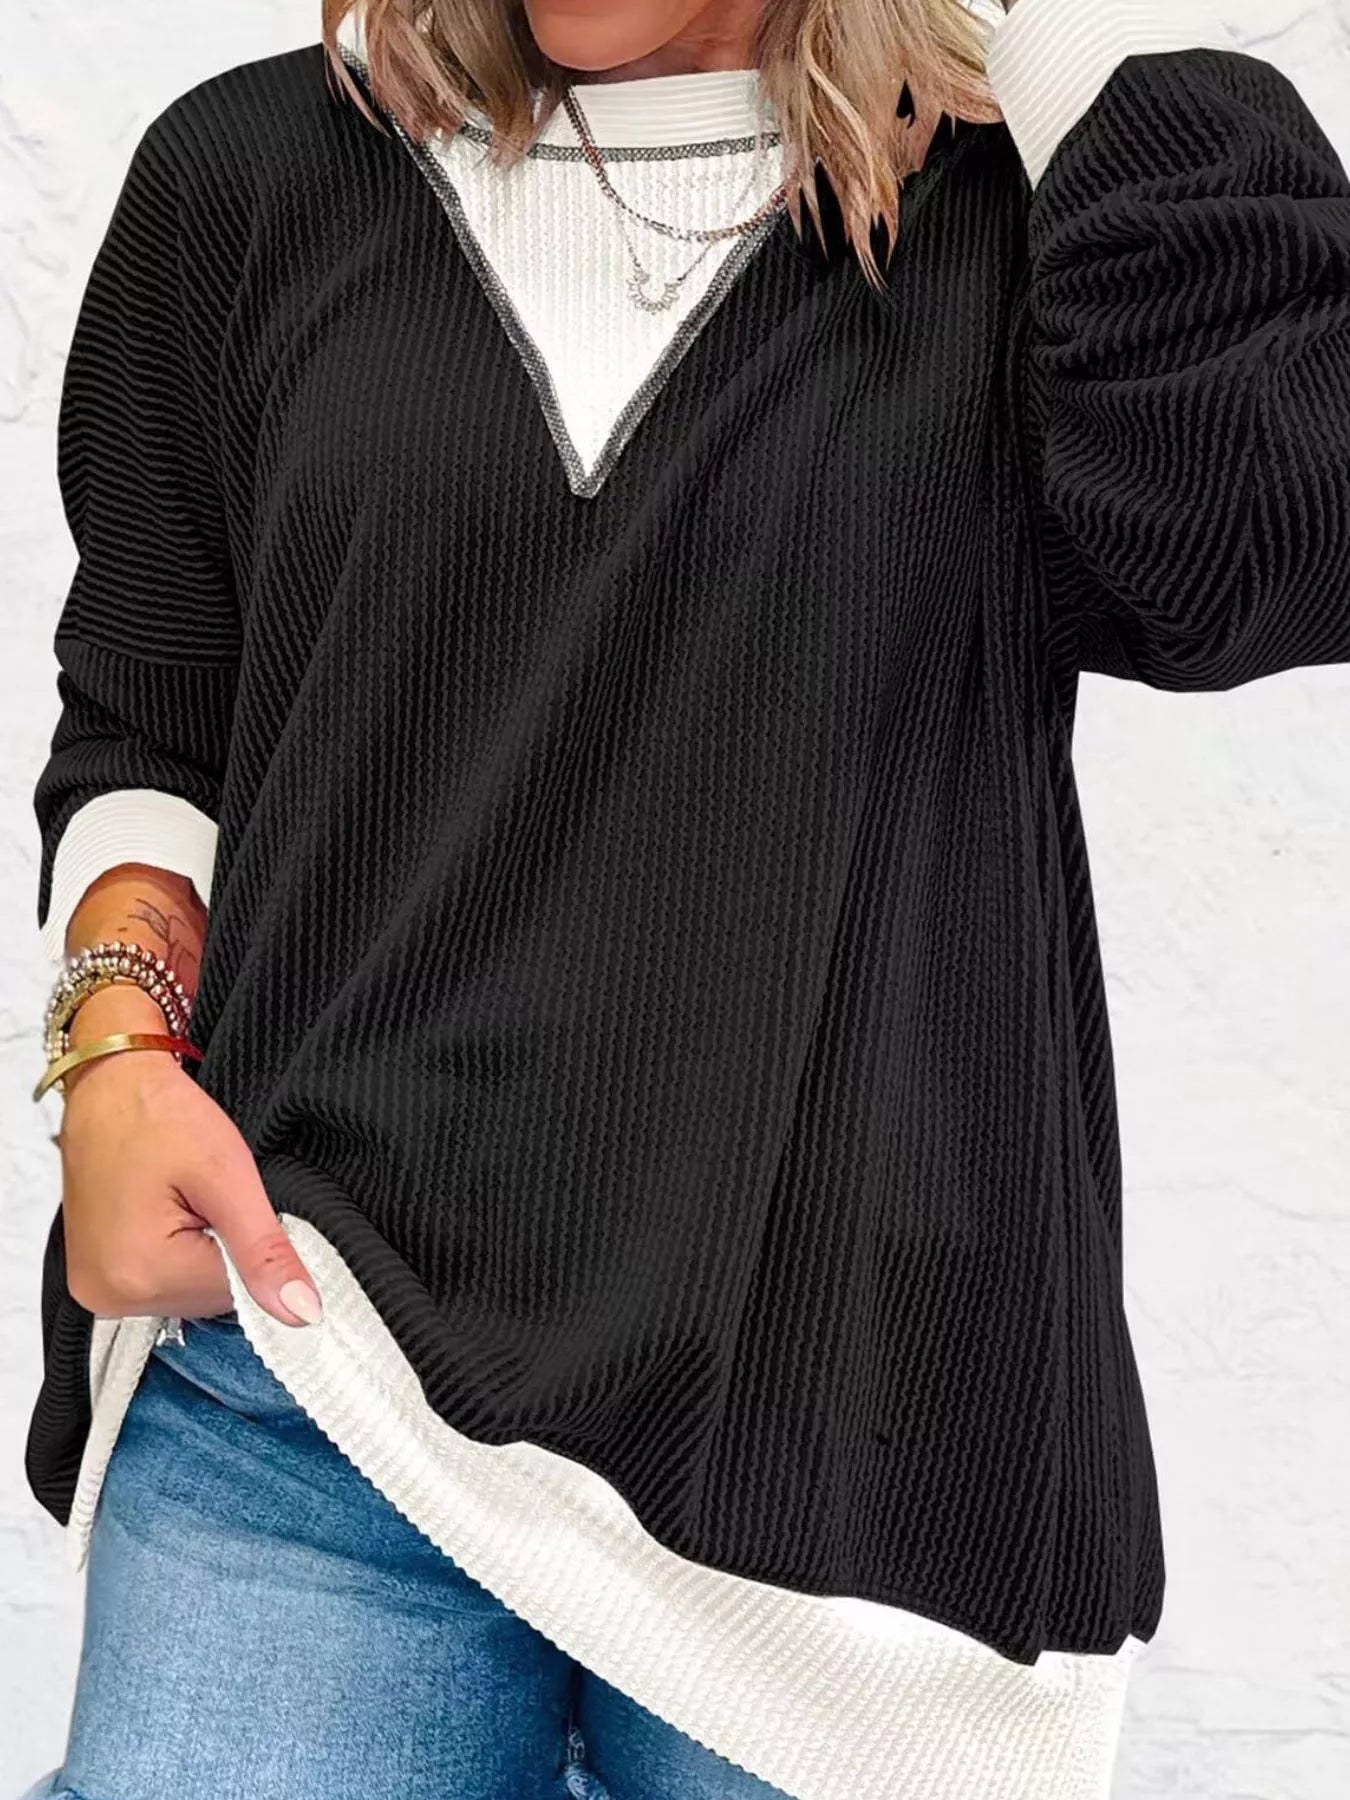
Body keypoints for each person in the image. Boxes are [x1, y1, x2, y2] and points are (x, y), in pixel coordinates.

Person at [17, 0, 1350, 1794]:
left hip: (862, 1473)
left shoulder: (1024, 198)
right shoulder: (253, 174)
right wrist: (111, 1058)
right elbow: (154, 712)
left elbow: (1259, 548)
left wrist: (1065, 51)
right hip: (307, 1392)